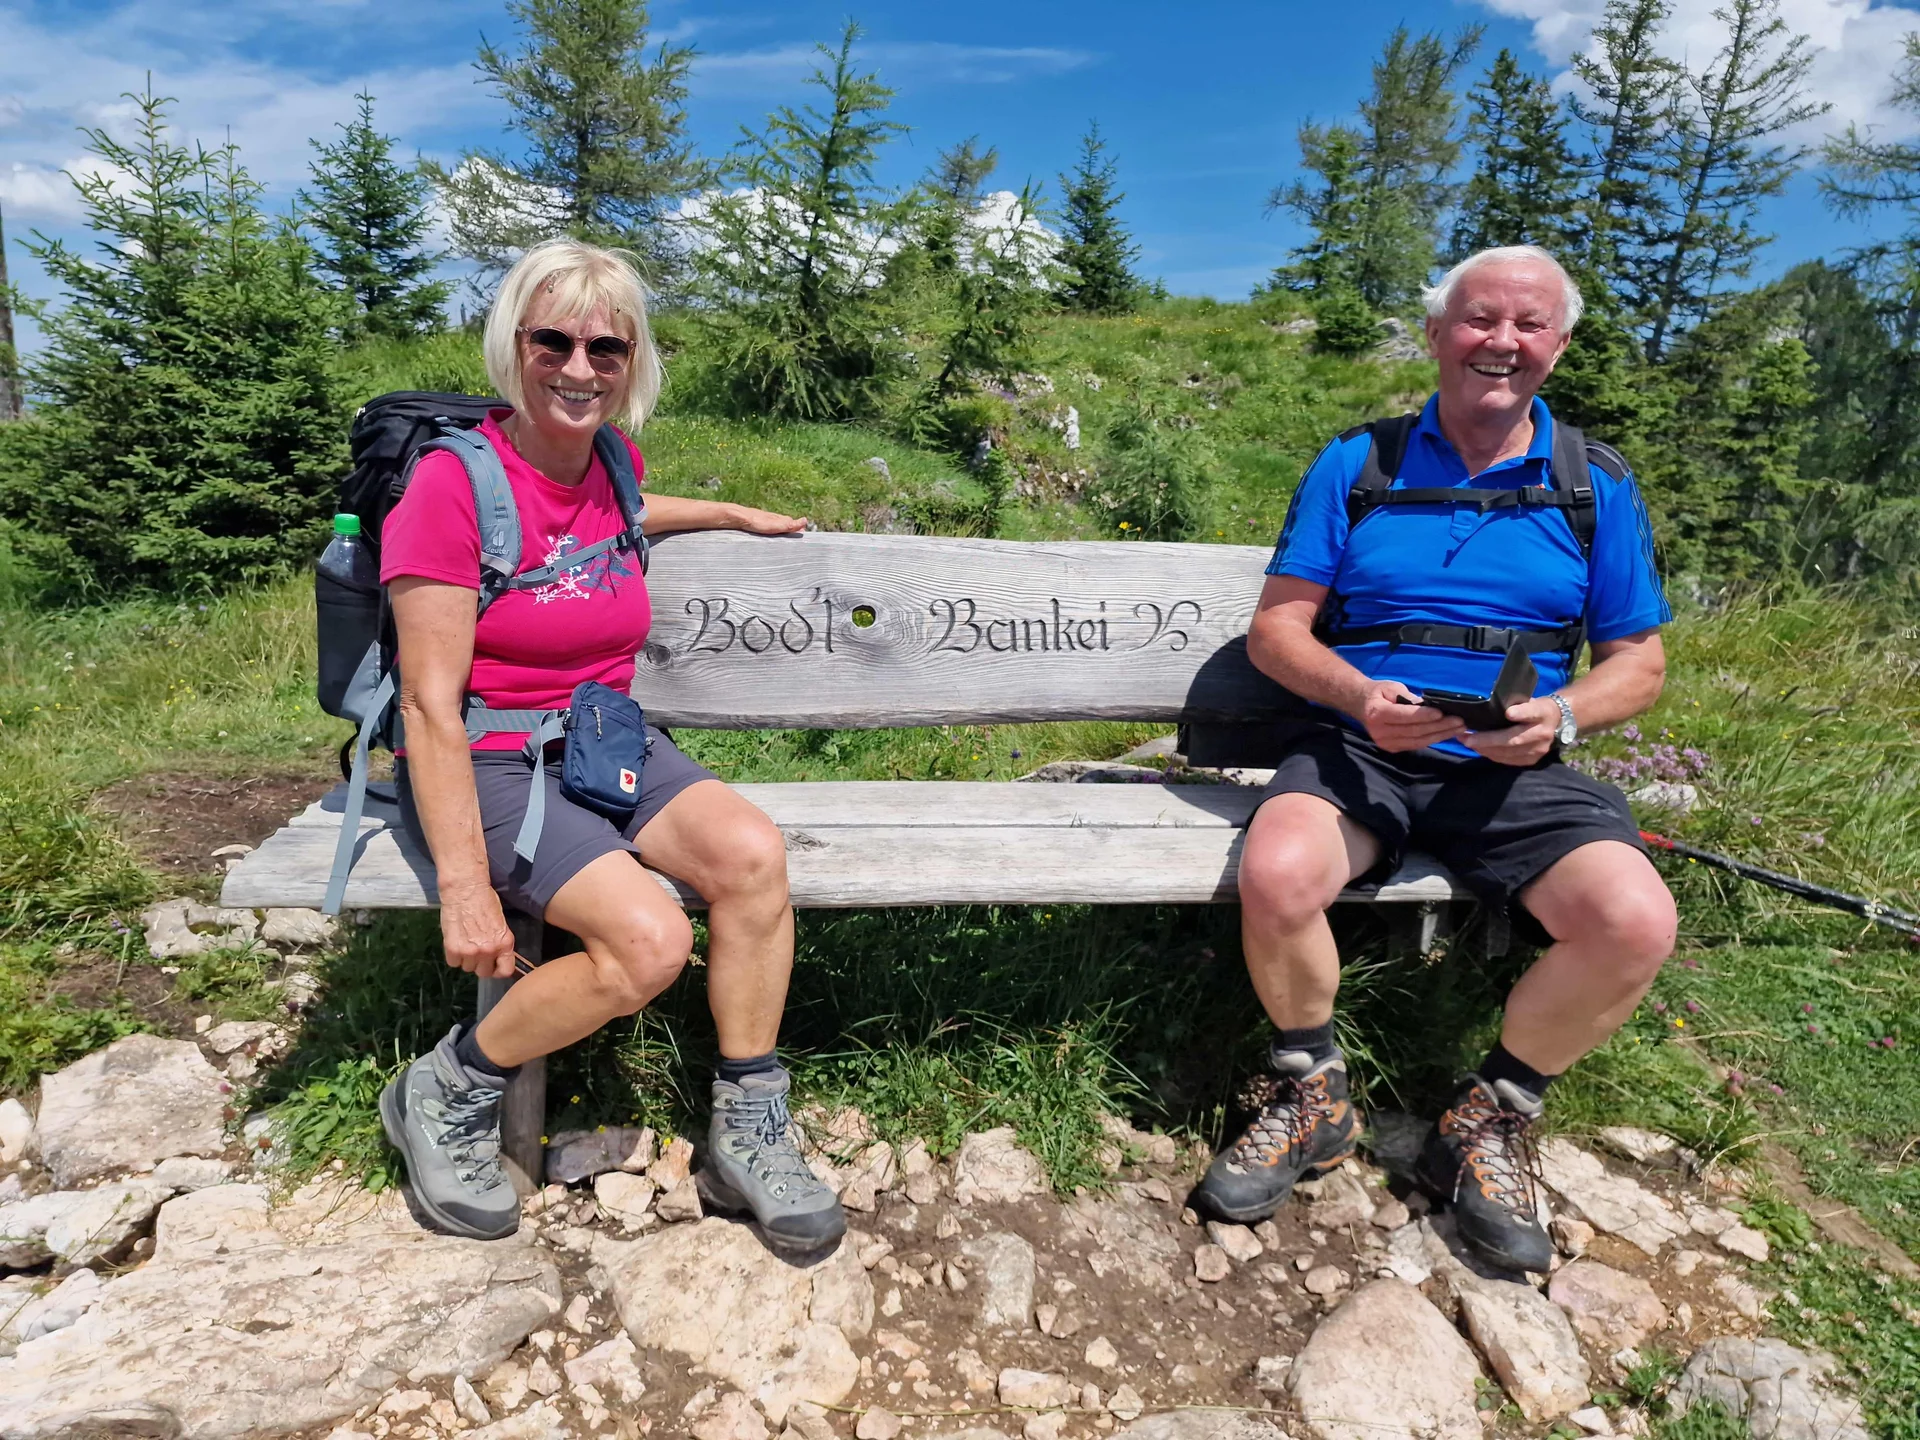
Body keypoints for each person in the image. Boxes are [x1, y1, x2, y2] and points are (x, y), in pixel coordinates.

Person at [1194, 245, 1676, 1273]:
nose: (1501, 343)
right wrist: (1358, 697)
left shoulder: (1597, 482)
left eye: (1528, 325)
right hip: (1363, 744)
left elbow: (1639, 664)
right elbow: (1279, 630)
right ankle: (1311, 1091)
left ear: (1558, 344)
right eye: (1478, 320)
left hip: (1517, 762)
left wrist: (1560, 717)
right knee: (1278, 873)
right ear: (1435, 332)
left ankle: (1491, 1115)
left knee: (1634, 920)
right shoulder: (1356, 462)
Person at [376, 238, 845, 1256]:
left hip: (598, 740)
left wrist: (725, 512)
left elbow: (621, 512)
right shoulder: (450, 491)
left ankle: (747, 1126)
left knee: (754, 857)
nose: (579, 368)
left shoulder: (613, 464)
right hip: (487, 758)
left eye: (606, 347)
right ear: (514, 344)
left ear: (634, 362)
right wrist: (464, 888)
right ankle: (445, 1086)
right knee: (649, 942)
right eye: (554, 340)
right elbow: (426, 705)